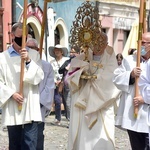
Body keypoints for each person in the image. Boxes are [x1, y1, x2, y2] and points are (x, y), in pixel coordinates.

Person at [67, 32, 120, 150]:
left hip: (101, 107)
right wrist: (81, 72)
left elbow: (113, 80)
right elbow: (70, 76)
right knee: (83, 138)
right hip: (83, 106)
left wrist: (94, 79)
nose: (98, 46)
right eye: (96, 43)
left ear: (106, 44)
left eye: (102, 43)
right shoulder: (82, 57)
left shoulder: (110, 58)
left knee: (101, 139)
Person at [0, 22, 44, 150]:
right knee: (15, 145)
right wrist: (11, 93)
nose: (22, 40)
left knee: (30, 143)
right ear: (12, 36)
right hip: (13, 105)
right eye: (19, 37)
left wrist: (29, 61)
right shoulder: (2, 58)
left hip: (30, 105)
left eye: (25, 37)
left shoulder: (34, 55)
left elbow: (39, 77)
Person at [113, 32, 150, 150]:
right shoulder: (129, 60)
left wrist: (145, 99)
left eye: (144, 43)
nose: (141, 46)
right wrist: (131, 75)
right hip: (133, 113)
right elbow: (116, 78)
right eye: (139, 43)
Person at [26, 38, 55, 150]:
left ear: (38, 49)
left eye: (32, 48)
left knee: (37, 137)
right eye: (27, 47)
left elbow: (49, 86)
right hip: (22, 105)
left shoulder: (46, 66)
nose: (29, 50)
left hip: (38, 106)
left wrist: (38, 102)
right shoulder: (20, 64)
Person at [49, 44, 69, 125]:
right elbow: (50, 73)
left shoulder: (66, 60)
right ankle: (58, 118)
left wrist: (62, 80)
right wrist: (54, 81)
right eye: (55, 50)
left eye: (58, 50)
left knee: (66, 101)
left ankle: (69, 119)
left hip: (65, 83)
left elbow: (69, 72)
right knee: (57, 101)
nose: (56, 51)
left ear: (62, 52)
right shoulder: (51, 62)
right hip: (55, 84)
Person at [58, 47, 79, 124]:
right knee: (67, 103)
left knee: (76, 103)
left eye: (73, 52)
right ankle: (70, 120)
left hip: (77, 86)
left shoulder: (80, 62)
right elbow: (60, 70)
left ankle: (76, 120)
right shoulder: (67, 62)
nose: (71, 54)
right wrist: (66, 68)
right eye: (70, 52)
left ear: (78, 53)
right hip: (67, 86)